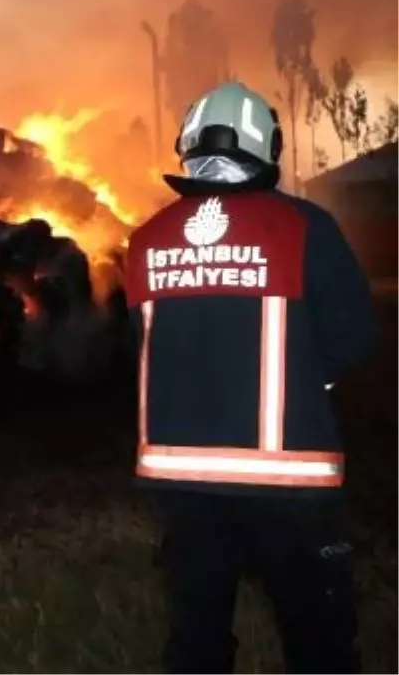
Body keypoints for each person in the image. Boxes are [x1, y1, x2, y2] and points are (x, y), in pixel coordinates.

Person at [123, 80, 377, 674]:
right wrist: (305, 385)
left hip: (180, 484)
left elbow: (141, 348)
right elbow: (353, 339)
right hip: (289, 482)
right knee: (320, 644)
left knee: (197, 642)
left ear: (187, 142)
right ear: (269, 145)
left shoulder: (144, 240)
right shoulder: (304, 227)